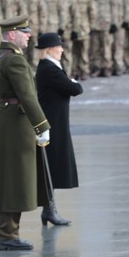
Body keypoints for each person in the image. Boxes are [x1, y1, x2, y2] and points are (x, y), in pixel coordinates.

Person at [0, 15, 51, 251]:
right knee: (15, 179)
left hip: (4, 120)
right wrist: (42, 125)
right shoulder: (15, 60)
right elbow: (27, 97)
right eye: (25, 32)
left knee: (6, 178)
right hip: (16, 123)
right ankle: (7, 235)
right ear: (12, 35)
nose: (29, 35)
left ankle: (7, 233)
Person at [35, 32, 82, 226]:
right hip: (52, 124)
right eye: (59, 46)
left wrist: (71, 82)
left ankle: (49, 210)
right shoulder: (49, 69)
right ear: (49, 49)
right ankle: (49, 210)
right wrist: (73, 82)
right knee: (51, 167)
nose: (62, 49)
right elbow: (75, 89)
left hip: (57, 123)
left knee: (52, 167)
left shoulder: (50, 67)